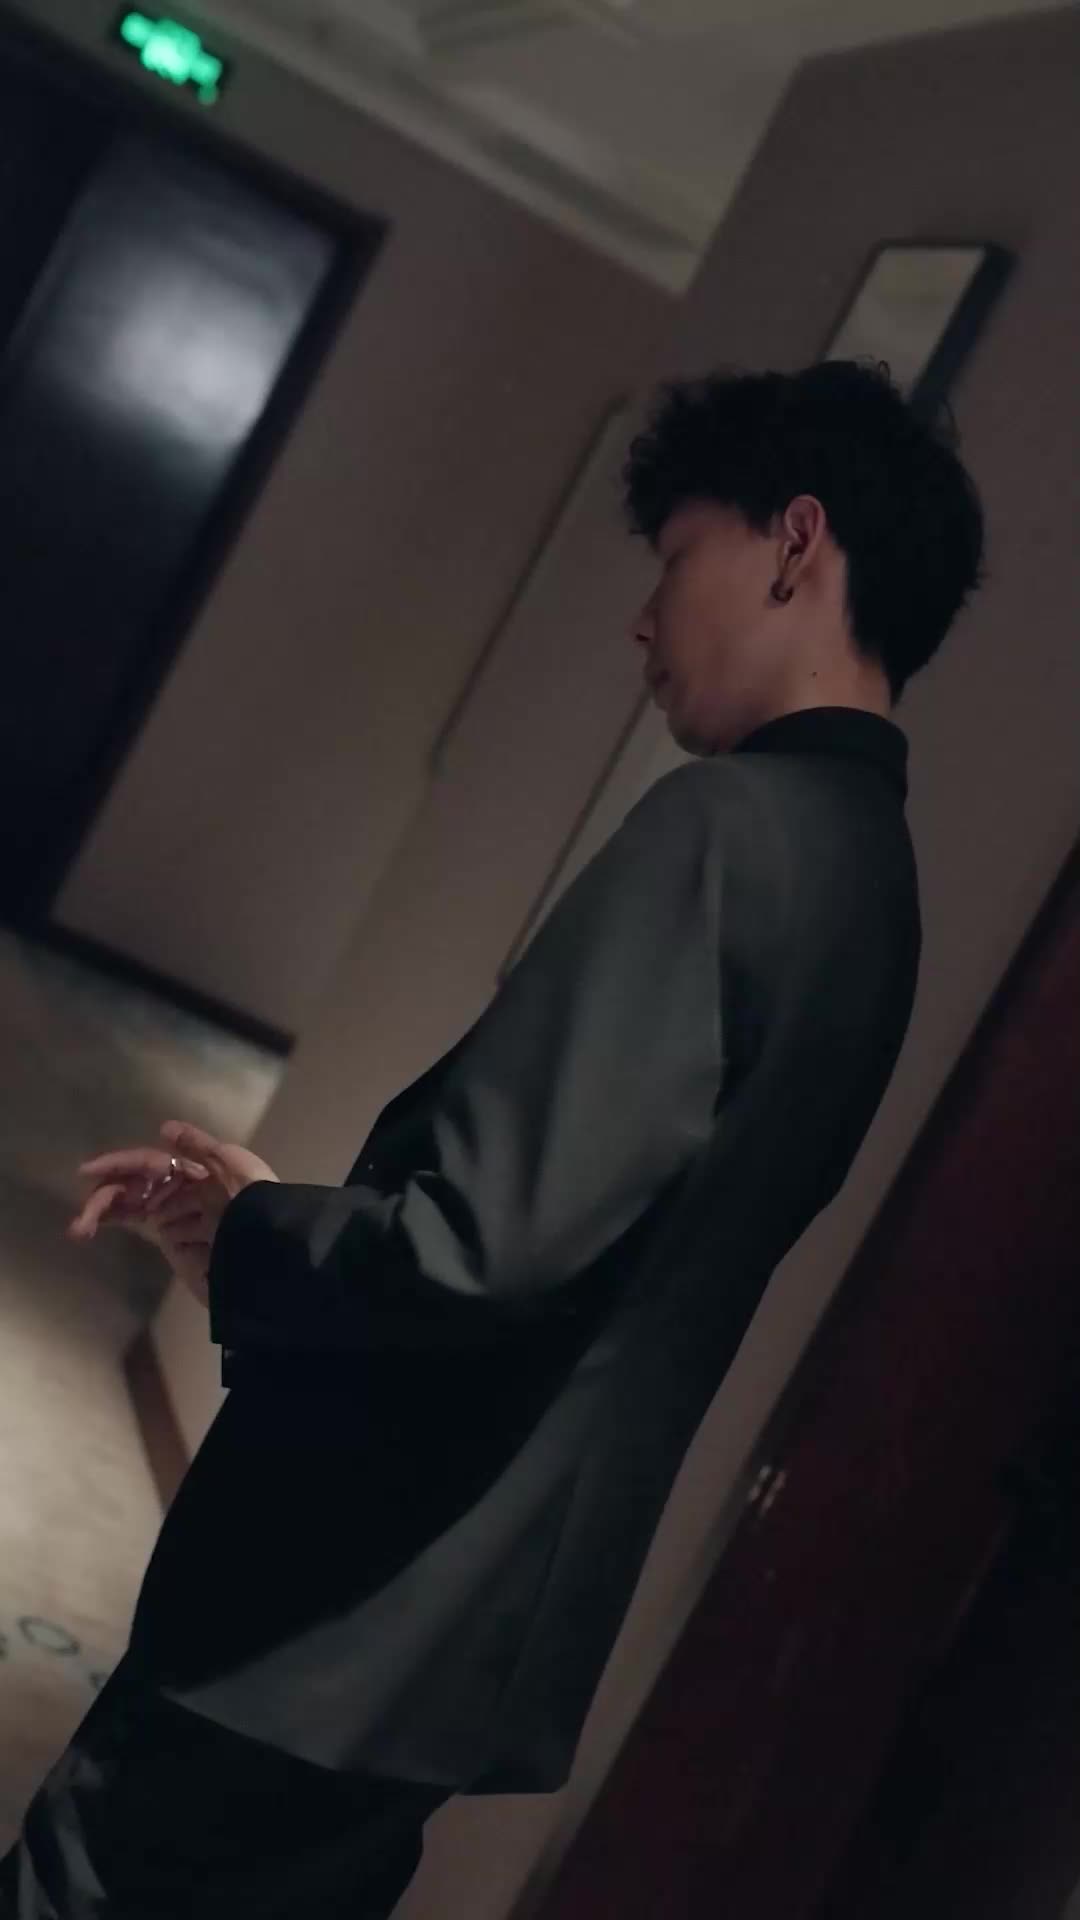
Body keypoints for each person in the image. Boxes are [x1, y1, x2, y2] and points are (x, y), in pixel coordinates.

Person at [0, 358, 985, 1917]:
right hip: (464, 1646)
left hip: (348, 1605)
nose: (645, 620)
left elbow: (473, 1248)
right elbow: (601, 1261)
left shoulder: (726, 831)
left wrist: (255, 1237)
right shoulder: (880, 889)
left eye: (678, 558)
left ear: (796, 545)